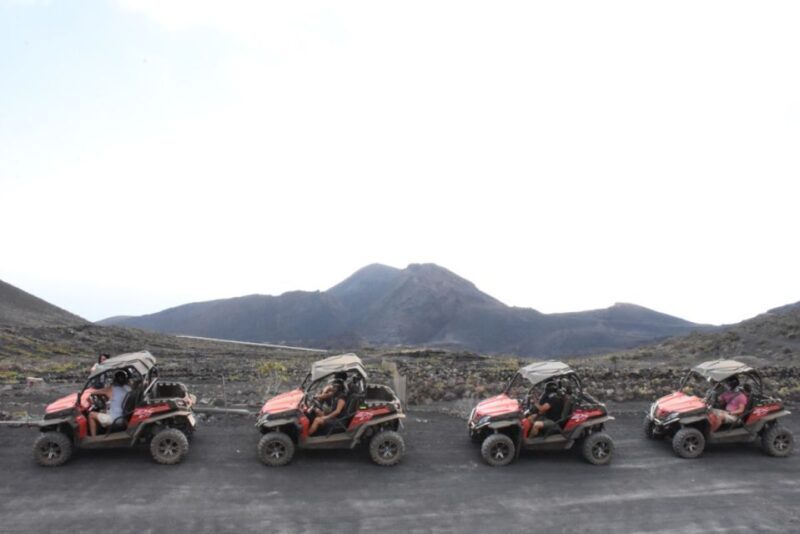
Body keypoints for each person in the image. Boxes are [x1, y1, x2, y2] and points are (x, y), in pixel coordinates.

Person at [88, 370, 132, 437]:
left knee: (91, 415)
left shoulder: (110, 389)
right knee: (104, 411)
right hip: (124, 418)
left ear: (114, 380)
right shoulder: (128, 389)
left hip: (114, 419)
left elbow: (93, 393)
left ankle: (93, 438)